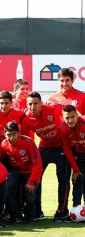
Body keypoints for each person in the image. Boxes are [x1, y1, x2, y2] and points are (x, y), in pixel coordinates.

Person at [23, 92, 70, 221]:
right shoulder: (26, 118)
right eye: (30, 104)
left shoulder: (53, 108)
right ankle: (37, 211)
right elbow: (26, 139)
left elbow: (71, 114)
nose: (33, 106)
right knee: (36, 178)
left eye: (35, 103)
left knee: (63, 178)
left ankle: (62, 211)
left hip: (60, 146)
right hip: (44, 148)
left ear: (41, 103)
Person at [0, 121, 43, 223]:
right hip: (16, 171)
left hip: (31, 172)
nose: (11, 138)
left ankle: (30, 216)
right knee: (7, 188)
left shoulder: (28, 142)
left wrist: (31, 181)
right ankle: (15, 215)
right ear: (4, 134)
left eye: (14, 134)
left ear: (18, 133)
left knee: (29, 194)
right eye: (8, 135)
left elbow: (37, 164)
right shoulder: (4, 144)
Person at [59, 105, 85, 216]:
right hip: (79, 154)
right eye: (67, 117)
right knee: (78, 179)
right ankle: (77, 211)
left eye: (72, 117)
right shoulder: (62, 129)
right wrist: (75, 169)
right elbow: (66, 149)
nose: (70, 120)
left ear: (77, 115)